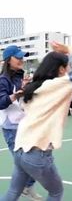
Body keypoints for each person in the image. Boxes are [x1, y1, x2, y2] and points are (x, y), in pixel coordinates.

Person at [0, 42, 72, 201]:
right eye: (67, 66)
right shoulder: (58, 85)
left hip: (21, 146)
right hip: (35, 150)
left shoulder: (34, 87)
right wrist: (69, 50)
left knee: (13, 192)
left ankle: (28, 188)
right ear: (61, 69)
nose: (69, 68)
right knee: (56, 192)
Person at [0, 45, 42, 200]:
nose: (21, 60)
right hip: (11, 128)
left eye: (22, 57)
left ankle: (28, 185)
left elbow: (20, 99)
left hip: (23, 124)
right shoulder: (3, 80)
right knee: (24, 164)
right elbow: (1, 102)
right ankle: (25, 187)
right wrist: (15, 96)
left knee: (35, 158)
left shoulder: (17, 77)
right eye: (18, 57)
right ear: (8, 60)